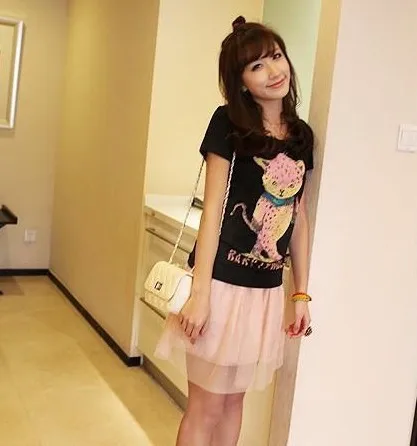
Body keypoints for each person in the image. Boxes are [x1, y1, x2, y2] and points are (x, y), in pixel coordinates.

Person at [155, 15, 314, 446]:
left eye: (276, 57)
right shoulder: (228, 123)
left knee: (233, 404)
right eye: (257, 65)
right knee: (205, 407)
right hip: (221, 284)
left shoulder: (301, 137)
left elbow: (297, 217)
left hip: (264, 291)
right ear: (241, 81)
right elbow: (212, 211)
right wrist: (201, 294)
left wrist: (300, 294)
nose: (274, 71)